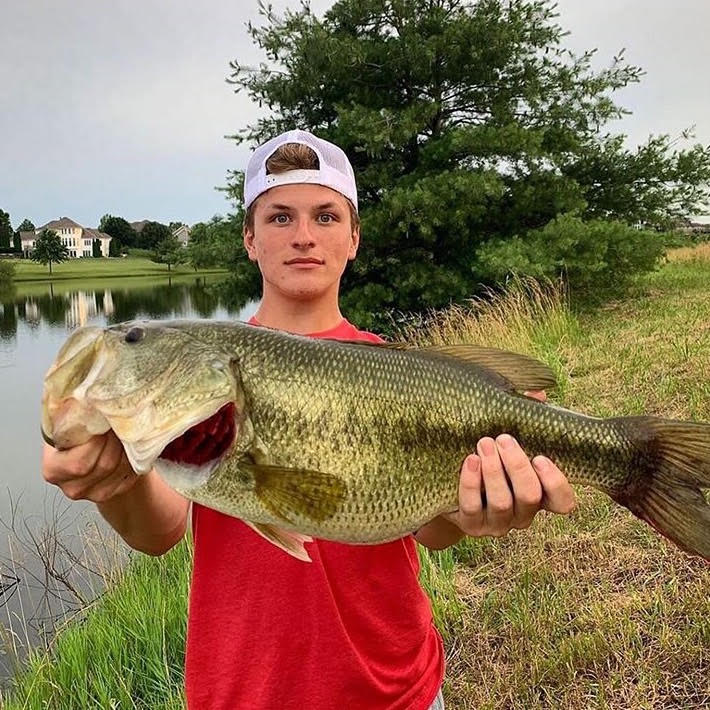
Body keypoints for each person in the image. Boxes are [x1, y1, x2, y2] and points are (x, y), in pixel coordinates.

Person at [42, 129, 577, 710]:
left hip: (393, 692)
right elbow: (158, 533)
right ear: (249, 239)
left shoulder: (399, 366)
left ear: (353, 239)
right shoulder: (199, 409)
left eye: (325, 216)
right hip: (241, 695)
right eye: (278, 218)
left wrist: (476, 509)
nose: (303, 236)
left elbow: (434, 533)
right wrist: (112, 482)